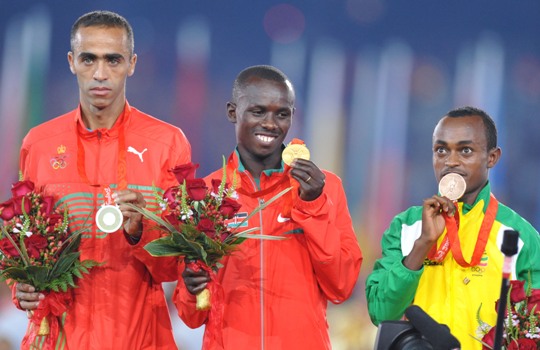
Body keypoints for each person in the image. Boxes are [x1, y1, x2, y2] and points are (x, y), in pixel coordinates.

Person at [12, 11, 191, 349]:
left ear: (132, 63)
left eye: (113, 60)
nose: (100, 74)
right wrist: (22, 288)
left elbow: (172, 267)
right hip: (58, 337)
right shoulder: (38, 144)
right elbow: (23, 247)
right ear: (71, 61)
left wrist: (141, 231)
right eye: (88, 59)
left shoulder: (167, 143)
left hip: (139, 338)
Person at [173, 65, 363, 349]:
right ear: (232, 112)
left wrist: (312, 206)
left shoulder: (324, 189)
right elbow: (191, 316)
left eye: (281, 114)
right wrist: (192, 288)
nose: (271, 123)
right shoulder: (204, 196)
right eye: (258, 111)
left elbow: (341, 286)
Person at [365, 106, 540, 349]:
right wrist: (422, 245)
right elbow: (381, 313)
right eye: (441, 150)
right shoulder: (405, 227)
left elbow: (534, 328)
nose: (451, 161)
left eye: (465, 150)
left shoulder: (520, 236)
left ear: (492, 157)